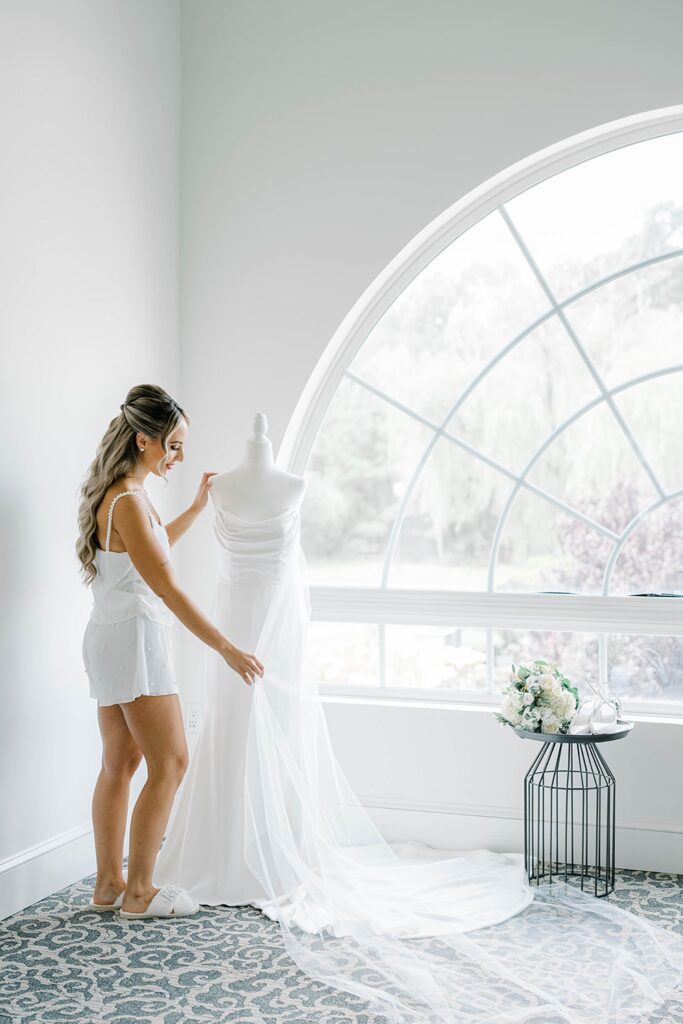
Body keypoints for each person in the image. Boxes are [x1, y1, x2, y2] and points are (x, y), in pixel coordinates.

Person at [76, 383, 264, 920]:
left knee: (120, 763)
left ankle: (109, 885)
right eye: (173, 446)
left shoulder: (120, 494)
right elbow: (166, 586)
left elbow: (149, 557)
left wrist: (195, 508)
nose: (178, 457)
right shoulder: (131, 501)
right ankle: (140, 893)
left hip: (110, 635)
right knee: (172, 762)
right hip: (135, 639)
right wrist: (226, 647)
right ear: (144, 440)